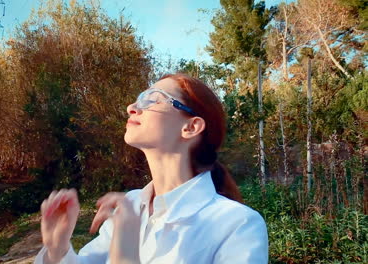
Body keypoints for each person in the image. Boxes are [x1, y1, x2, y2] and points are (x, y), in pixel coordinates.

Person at [34, 73, 268, 264]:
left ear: (191, 127)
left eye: (153, 98)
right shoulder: (131, 205)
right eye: (139, 98)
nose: (131, 107)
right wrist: (58, 250)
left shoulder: (238, 225)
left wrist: (125, 257)